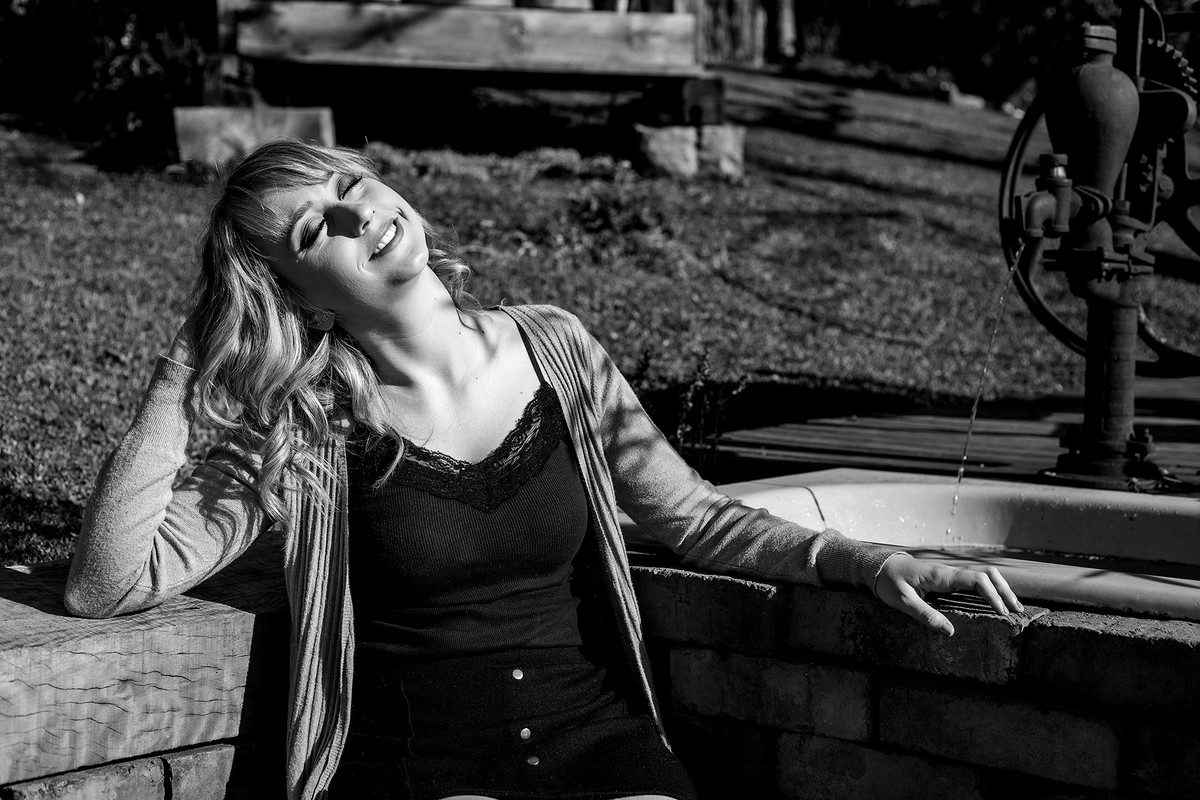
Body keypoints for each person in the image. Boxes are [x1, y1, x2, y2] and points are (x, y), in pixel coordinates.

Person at [64, 140, 1022, 800]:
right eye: (315, 232)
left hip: (595, 736)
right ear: (299, 300)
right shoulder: (304, 428)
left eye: (350, 184)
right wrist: (189, 358)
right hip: (417, 761)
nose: (358, 214)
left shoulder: (557, 349)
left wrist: (861, 561)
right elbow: (108, 582)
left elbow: (694, 517)